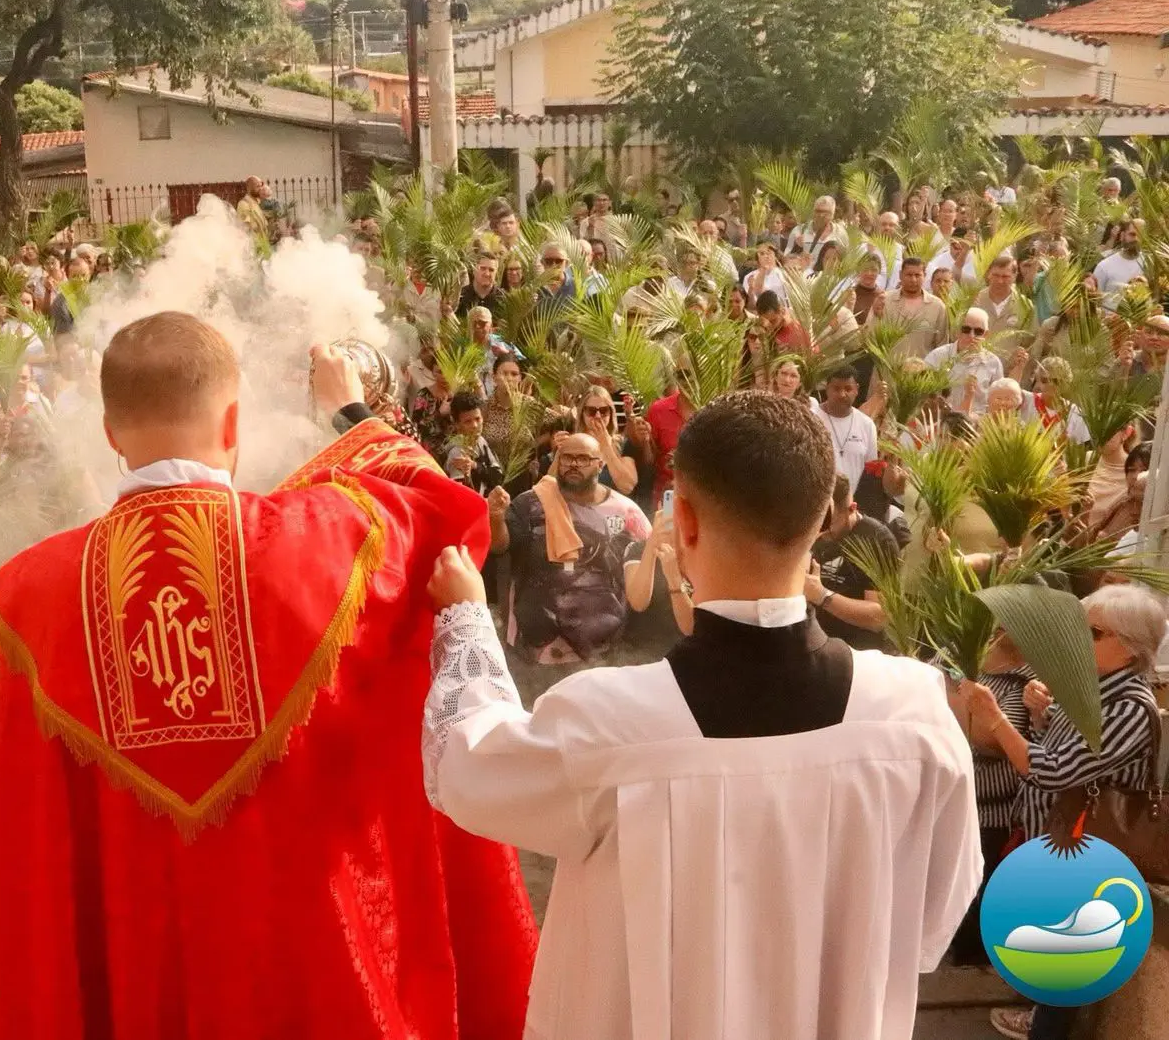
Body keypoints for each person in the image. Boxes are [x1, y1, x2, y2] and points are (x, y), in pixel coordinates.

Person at [0, 315, 537, 1038]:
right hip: (319, 977)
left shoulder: (35, 596)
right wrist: (352, 413)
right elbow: (439, 506)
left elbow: (39, 861)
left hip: (148, 983)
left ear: (111, 434)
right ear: (235, 418)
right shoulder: (332, 540)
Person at [423, 391, 980, 1039]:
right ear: (825, 521)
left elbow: (467, 766)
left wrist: (464, 617)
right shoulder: (915, 719)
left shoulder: (608, 724)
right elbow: (930, 923)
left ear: (682, 521)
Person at [967, 584, 1163, 1040]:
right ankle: (1040, 1017)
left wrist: (995, 718)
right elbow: (1059, 750)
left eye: (1092, 632)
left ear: (1130, 647)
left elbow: (1054, 771)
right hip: (1055, 834)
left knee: (1069, 952)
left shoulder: (1130, 706)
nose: (1078, 639)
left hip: (1086, 845)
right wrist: (1041, 717)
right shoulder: (1090, 691)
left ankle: (1046, 1029)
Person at [488, 431, 651, 665]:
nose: (573, 464)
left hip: (607, 655)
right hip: (536, 656)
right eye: (567, 457)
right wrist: (495, 517)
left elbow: (649, 571)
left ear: (600, 464)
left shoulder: (626, 513)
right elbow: (500, 546)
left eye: (583, 458)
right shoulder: (530, 505)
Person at [807, 474, 895, 649]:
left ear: (852, 508)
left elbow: (879, 617)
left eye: (830, 524)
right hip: (816, 645)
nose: (822, 532)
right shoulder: (814, 532)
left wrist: (822, 595)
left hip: (857, 653)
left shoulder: (877, 540)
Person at [925, 308, 1003, 415]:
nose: (972, 336)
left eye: (978, 331)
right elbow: (922, 393)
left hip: (977, 425)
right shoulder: (937, 357)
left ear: (986, 335)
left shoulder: (993, 362)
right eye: (966, 330)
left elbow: (999, 399)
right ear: (957, 331)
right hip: (941, 421)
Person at [815, 365, 878, 491]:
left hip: (850, 505)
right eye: (836, 389)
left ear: (857, 390)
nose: (842, 394)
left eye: (848, 389)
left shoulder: (867, 425)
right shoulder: (811, 417)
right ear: (827, 389)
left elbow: (870, 470)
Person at [886, 256, 950, 357]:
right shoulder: (885, 301)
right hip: (888, 370)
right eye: (909, 275)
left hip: (922, 370)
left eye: (917, 275)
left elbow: (942, 345)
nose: (913, 279)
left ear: (924, 276)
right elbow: (872, 338)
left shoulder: (937, 307)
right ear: (900, 275)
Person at [444, 391, 504, 496]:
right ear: (457, 424)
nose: (475, 425)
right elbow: (462, 494)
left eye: (478, 419)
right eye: (468, 421)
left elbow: (497, 476)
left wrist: (475, 466)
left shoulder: (481, 441)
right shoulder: (457, 452)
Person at [1092, 218, 1144, 309]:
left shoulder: (1149, 264)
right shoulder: (1104, 266)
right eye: (1132, 234)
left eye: (1141, 235)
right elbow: (1093, 299)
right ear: (1122, 236)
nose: (1136, 239)